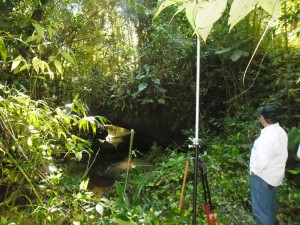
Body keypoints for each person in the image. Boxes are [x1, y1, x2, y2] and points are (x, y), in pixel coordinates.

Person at [249, 105, 288, 225]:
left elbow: (261, 160)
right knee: (269, 210)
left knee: (261, 213)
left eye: (260, 116)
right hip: (274, 177)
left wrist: (254, 171)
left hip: (262, 178)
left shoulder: (267, 137)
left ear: (263, 118)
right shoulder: (281, 132)